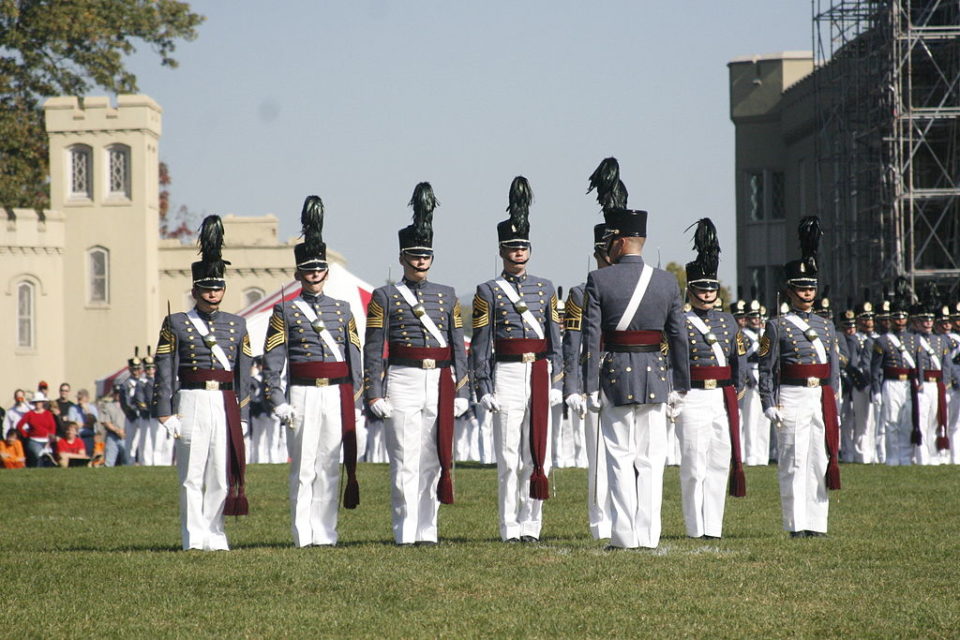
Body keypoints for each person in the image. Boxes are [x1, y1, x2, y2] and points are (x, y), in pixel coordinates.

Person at [580, 158, 689, 550]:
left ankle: (624, 535)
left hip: (615, 376)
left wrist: (590, 385)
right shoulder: (667, 281)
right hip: (657, 377)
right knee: (651, 459)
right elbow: (678, 337)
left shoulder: (599, 279)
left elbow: (591, 337)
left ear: (620, 241)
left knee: (619, 457)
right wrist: (682, 386)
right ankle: (648, 534)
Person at [364, 183, 470, 546]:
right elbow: (374, 348)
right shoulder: (385, 296)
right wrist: (374, 393)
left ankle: (428, 530)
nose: (421, 261)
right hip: (404, 378)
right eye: (414, 256)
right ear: (402, 258)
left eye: (426, 255)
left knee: (434, 457)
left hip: (440, 379)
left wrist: (462, 389)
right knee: (404, 458)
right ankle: (404, 530)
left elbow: (458, 347)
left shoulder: (447, 295)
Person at [262, 195, 363, 547]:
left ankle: (326, 532)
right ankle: (302, 533)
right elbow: (273, 360)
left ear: (327, 272)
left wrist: (358, 400)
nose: (315, 275)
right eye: (308, 270)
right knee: (303, 467)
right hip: (302, 392)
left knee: (330, 464)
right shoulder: (285, 312)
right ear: (298, 274)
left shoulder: (343, 309)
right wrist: (276, 400)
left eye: (319, 270)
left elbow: (355, 358)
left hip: (336, 393)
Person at [152, 215, 252, 551]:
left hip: (224, 403)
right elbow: (164, 366)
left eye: (218, 287)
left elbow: (244, 374)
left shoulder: (237, 325)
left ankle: (215, 533)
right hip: (191, 400)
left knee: (220, 476)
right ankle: (193, 537)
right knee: (191, 475)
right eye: (207, 288)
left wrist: (243, 413)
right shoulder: (177, 323)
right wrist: (165, 411)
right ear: (195, 290)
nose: (213, 293)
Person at [471, 176, 562, 544]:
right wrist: (483, 385)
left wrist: (557, 381)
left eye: (523, 246)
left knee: (539, 453)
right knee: (509, 455)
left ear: (530, 249)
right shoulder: (487, 291)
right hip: (507, 372)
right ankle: (510, 525)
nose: (518, 253)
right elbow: (481, 344)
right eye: (512, 247)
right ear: (501, 250)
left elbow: (556, 341)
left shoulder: (546, 288)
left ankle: (532, 524)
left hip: (539, 372)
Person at [759, 216, 841, 538]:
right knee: (792, 461)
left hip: (820, 396)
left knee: (819, 459)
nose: (807, 293)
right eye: (801, 288)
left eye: (811, 287)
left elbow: (832, 367)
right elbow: (766, 367)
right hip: (791, 395)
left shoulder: (826, 325)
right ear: (789, 291)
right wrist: (768, 402)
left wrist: (834, 398)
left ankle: (817, 523)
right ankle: (796, 524)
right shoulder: (777, 326)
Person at [675, 218, 747, 540]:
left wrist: (740, 386)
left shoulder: (728, 321)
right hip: (691, 396)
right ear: (689, 290)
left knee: (719, 461)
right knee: (693, 465)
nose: (707, 294)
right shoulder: (679, 321)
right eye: (701, 288)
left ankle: (713, 528)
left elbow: (739, 357)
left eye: (711, 288)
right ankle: (695, 528)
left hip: (721, 396)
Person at [562, 222, 614, 541]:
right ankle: (600, 523)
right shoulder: (579, 294)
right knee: (597, 455)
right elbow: (571, 346)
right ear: (596, 255)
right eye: (603, 254)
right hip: (595, 373)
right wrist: (573, 387)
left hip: (630, 373)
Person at [870, 279, 919, 467]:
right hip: (890, 383)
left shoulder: (914, 340)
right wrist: (875, 390)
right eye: (896, 317)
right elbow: (875, 369)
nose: (900, 321)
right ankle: (892, 458)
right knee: (891, 422)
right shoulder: (882, 341)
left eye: (903, 317)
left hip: (908, 384)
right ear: (891, 319)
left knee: (907, 422)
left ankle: (906, 458)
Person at [905, 286, 953, 466]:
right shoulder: (913, 340)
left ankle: (933, 454)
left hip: (937, 384)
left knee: (936, 419)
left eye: (930, 320)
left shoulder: (940, 340)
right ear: (916, 322)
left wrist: (946, 384)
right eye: (923, 320)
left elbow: (946, 364)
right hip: (922, 384)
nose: (927, 323)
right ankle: (921, 455)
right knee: (921, 420)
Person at [740, 294, 769, 465]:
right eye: (752, 317)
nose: (755, 320)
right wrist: (748, 377)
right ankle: (751, 455)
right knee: (750, 417)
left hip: (764, 375)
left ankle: (762, 455)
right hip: (750, 375)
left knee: (764, 417)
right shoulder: (742, 335)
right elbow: (742, 358)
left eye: (757, 316)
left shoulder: (765, 334)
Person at [16, 392, 58, 467]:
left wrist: (50, 440)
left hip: (46, 440)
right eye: (36, 402)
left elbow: (52, 428)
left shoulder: (48, 414)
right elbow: (19, 426)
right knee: (39, 455)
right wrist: (26, 435)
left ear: (42, 403)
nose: (38, 404)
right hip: (34, 440)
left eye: (39, 402)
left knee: (48, 457)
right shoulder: (29, 414)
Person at [120, 351, 143, 463]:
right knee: (131, 440)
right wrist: (132, 412)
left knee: (142, 439)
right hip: (131, 415)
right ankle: (130, 460)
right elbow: (124, 402)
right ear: (130, 370)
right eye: (134, 369)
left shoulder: (143, 381)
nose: (136, 372)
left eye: (138, 369)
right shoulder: (125, 384)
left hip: (143, 415)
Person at [99, 385, 128, 467]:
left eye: (119, 393)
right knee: (109, 462)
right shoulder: (108, 405)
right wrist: (117, 431)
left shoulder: (127, 404)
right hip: (112, 435)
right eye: (116, 393)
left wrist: (124, 431)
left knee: (127, 461)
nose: (117, 395)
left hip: (126, 435)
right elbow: (105, 422)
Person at [75, 389, 99, 457]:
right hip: (78, 437)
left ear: (87, 398)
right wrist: (86, 425)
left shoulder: (92, 408)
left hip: (89, 437)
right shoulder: (73, 408)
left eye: (81, 397)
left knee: (89, 456)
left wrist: (86, 410)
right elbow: (73, 425)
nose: (79, 399)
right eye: (78, 398)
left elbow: (93, 423)